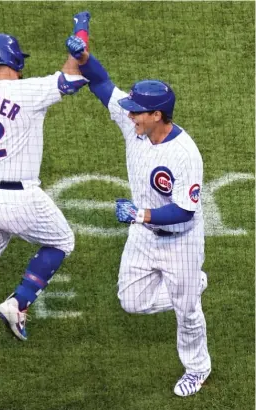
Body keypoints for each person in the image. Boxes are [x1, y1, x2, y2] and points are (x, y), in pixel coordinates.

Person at [66, 14, 211, 397]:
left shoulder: (185, 154)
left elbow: (185, 210)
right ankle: (193, 286)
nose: (129, 115)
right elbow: (100, 83)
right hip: (143, 236)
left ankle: (197, 368)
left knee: (187, 312)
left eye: (136, 111)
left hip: (179, 240)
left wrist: (139, 213)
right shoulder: (136, 126)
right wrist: (83, 55)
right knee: (130, 301)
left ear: (156, 115)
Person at [0, 28, 89, 369]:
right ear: (12, 61)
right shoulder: (26, 90)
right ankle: (19, 302)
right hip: (21, 198)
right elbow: (72, 78)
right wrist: (79, 39)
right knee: (61, 240)